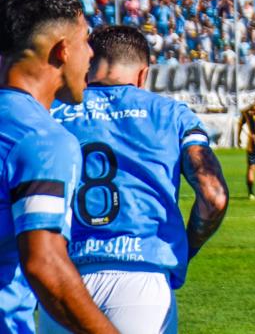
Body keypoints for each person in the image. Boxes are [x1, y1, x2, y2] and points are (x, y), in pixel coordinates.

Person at [44, 26, 229, 333]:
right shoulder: (173, 114)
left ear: (88, 64)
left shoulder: (52, 112)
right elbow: (213, 197)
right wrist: (186, 248)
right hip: (142, 281)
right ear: (144, 74)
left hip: (63, 278)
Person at [0, 0, 116, 333]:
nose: (92, 55)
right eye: (86, 41)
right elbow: (45, 264)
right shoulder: (41, 139)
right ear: (63, 50)